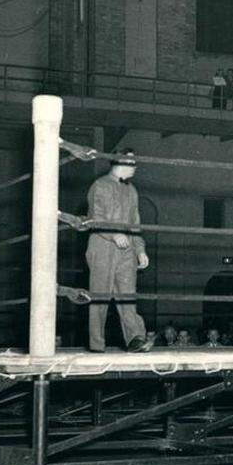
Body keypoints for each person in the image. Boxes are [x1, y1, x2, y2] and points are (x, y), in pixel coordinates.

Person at [86, 149, 152, 353]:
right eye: (133, 162)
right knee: (100, 296)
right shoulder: (100, 185)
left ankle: (135, 339)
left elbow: (135, 224)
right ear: (121, 161)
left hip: (127, 250)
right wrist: (114, 235)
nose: (136, 166)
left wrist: (140, 249)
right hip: (102, 246)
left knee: (128, 296)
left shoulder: (132, 190)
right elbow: (95, 216)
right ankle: (97, 345)